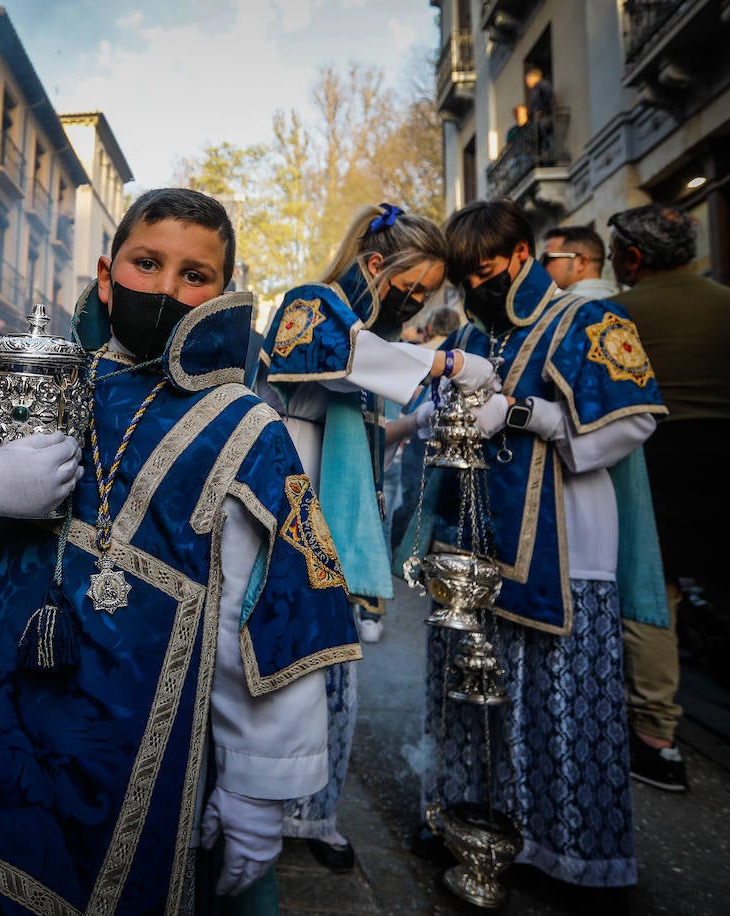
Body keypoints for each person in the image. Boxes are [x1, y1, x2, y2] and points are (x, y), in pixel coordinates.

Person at [0, 188, 357, 911]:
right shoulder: (43, 371)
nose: (166, 288)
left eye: (196, 275)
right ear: (107, 274)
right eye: (147, 262)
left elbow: (269, 621)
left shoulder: (249, 427)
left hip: (130, 762)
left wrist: (257, 796)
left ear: (225, 293)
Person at [408, 198, 667, 888]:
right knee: (473, 689)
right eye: (464, 280)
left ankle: (568, 852)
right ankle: (468, 822)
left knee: (557, 699)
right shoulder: (479, 330)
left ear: (522, 256)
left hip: (566, 536)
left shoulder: (589, 317)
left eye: (484, 272)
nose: (474, 289)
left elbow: (633, 421)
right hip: (479, 533)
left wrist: (526, 413)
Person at [255, 203, 495, 872]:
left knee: (337, 666)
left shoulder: (362, 330)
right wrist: (445, 363)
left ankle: (315, 810)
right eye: (412, 288)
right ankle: (257, 805)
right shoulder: (313, 304)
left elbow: (364, 415)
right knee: (283, 660)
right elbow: (341, 366)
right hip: (293, 500)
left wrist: (420, 417)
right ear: (373, 267)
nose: (414, 303)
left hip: (341, 511)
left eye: (426, 294)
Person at [610, 202, 730, 787]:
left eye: (617, 250)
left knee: (650, 601)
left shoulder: (617, 312)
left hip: (657, 462)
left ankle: (656, 737)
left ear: (634, 257)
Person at [540, 223, 616, 298]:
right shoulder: (621, 300)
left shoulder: (562, 307)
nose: (540, 266)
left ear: (582, 263)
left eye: (546, 259)